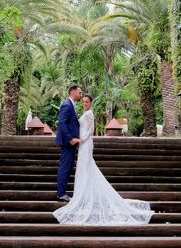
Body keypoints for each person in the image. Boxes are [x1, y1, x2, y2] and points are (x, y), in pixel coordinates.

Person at [53, 94, 154, 225]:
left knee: (86, 167)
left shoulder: (89, 114)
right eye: (83, 101)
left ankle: (83, 194)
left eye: (87, 102)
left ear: (91, 103)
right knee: (83, 168)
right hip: (82, 144)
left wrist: (80, 139)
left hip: (85, 143)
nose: (84, 104)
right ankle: (82, 193)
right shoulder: (82, 111)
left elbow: (90, 130)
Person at [55, 85, 82, 201]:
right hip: (68, 142)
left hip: (70, 142)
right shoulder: (67, 105)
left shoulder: (71, 105)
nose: (81, 95)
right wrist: (70, 138)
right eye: (80, 93)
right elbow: (62, 123)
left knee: (68, 166)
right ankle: (61, 193)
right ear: (73, 93)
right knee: (65, 167)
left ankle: (62, 192)